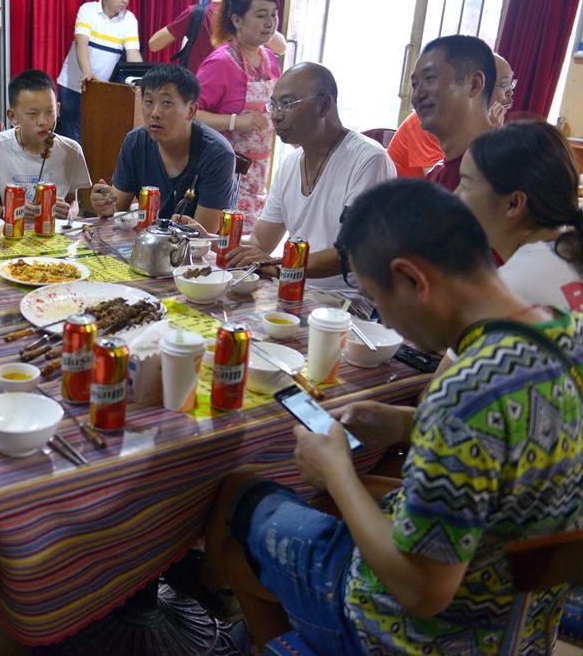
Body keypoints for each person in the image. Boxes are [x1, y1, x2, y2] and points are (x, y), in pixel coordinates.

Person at [198, 179, 583, 653]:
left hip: (429, 633)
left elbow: (422, 591)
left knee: (245, 499)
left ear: (413, 280)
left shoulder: (464, 395)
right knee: (307, 505)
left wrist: (337, 472)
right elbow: (518, 437)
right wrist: (405, 424)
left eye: (377, 300)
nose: (387, 320)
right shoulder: (562, 330)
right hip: (527, 616)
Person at [211, 62, 395, 290]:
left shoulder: (368, 159)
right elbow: (261, 243)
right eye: (273, 105)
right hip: (292, 286)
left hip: (345, 302)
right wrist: (209, 239)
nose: (276, 116)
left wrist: (281, 266)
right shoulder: (289, 164)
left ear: (324, 105)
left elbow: (352, 253)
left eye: (288, 104)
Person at [90, 63, 236, 234]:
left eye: (167, 103)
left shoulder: (217, 154)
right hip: (146, 242)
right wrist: (106, 204)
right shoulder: (135, 142)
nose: (155, 113)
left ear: (191, 110)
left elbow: (202, 235)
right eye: (149, 102)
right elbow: (117, 208)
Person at [458, 120, 583, 310]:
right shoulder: (570, 251)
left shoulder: (508, 291)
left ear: (513, 204)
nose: (455, 194)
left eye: (465, 184)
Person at [195, 0, 282, 228]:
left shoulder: (269, 59)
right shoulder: (220, 63)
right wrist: (236, 121)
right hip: (224, 171)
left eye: (274, 15)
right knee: (220, 242)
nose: (270, 23)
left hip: (259, 171)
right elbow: (188, 114)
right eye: (261, 15)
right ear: (237, 20)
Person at [0, 70, 92, 222]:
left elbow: (73, 201)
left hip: (54, 235)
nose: (43, 122)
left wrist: (69, 213)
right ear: (13, 116)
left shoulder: (71, 150)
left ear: (58, 109)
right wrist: (15, 210)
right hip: (12, 235)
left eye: (50, 112)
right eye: (32, 114)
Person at [388, 53, 513, 179]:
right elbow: (444, 181)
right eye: (503, 85)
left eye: (511, 85)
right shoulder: (429, 120)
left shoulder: (470, 121)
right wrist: (488, 141)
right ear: (476, 85)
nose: (509, 95)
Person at [55, 0, 143, 142]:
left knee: (94, 140)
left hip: (100, 90)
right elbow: (81, 43)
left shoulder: (129, 19)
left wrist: (141, 80)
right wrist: (88, 73)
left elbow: (133, 53)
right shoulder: (88, 10)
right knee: (72, 140)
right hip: (73, 86)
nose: (125, 0)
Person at [410, 34, 495, 191]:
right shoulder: (435, 177)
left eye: (429, 78)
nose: (417, 95)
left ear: (474, 84)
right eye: (414, 84)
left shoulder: (506, 167)